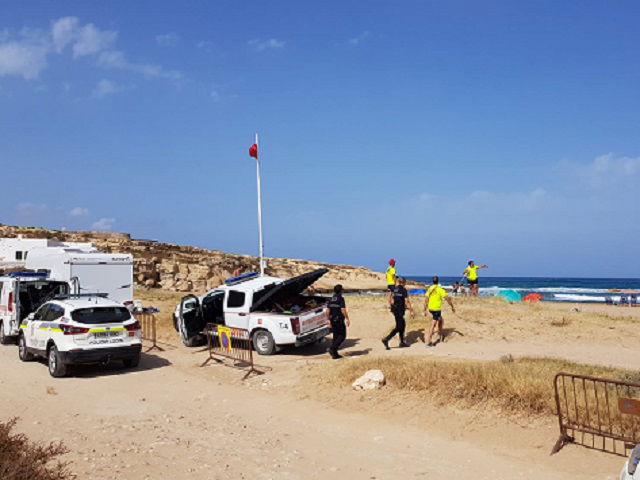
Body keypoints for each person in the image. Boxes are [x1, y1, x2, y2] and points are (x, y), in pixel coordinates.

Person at [382, 277, 413, 349]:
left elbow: (390, 297)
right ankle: (386, 339)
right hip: (399, 310)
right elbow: (407, 301)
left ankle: (402, 342)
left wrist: (390, 304)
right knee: (399, 327)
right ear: (404, 283)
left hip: (395, 309)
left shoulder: (394, 289)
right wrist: (411, 311)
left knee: (403, 324)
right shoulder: (403, 290)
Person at [424, 276, 455, 347]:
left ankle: (440, 336)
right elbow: (447, 298)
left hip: (430, 308)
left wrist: (425, 309)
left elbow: (426, 299)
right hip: (436, 309)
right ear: (438, 281)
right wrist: (452, 306)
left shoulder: (430, 288)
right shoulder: (440, 289)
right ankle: (428, 342)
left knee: (440, 320)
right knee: (433, 324)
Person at [326, 284, 350, 359]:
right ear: (340, 291)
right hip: (339, 319)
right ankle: (332, 348)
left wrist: (328, 319)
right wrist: (347, 318)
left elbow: (328, 310)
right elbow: (343, 310)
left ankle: (334, 354)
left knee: (335, 336)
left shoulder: (331, 299)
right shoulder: (340, 298)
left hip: (332, 319)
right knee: (342, 336)